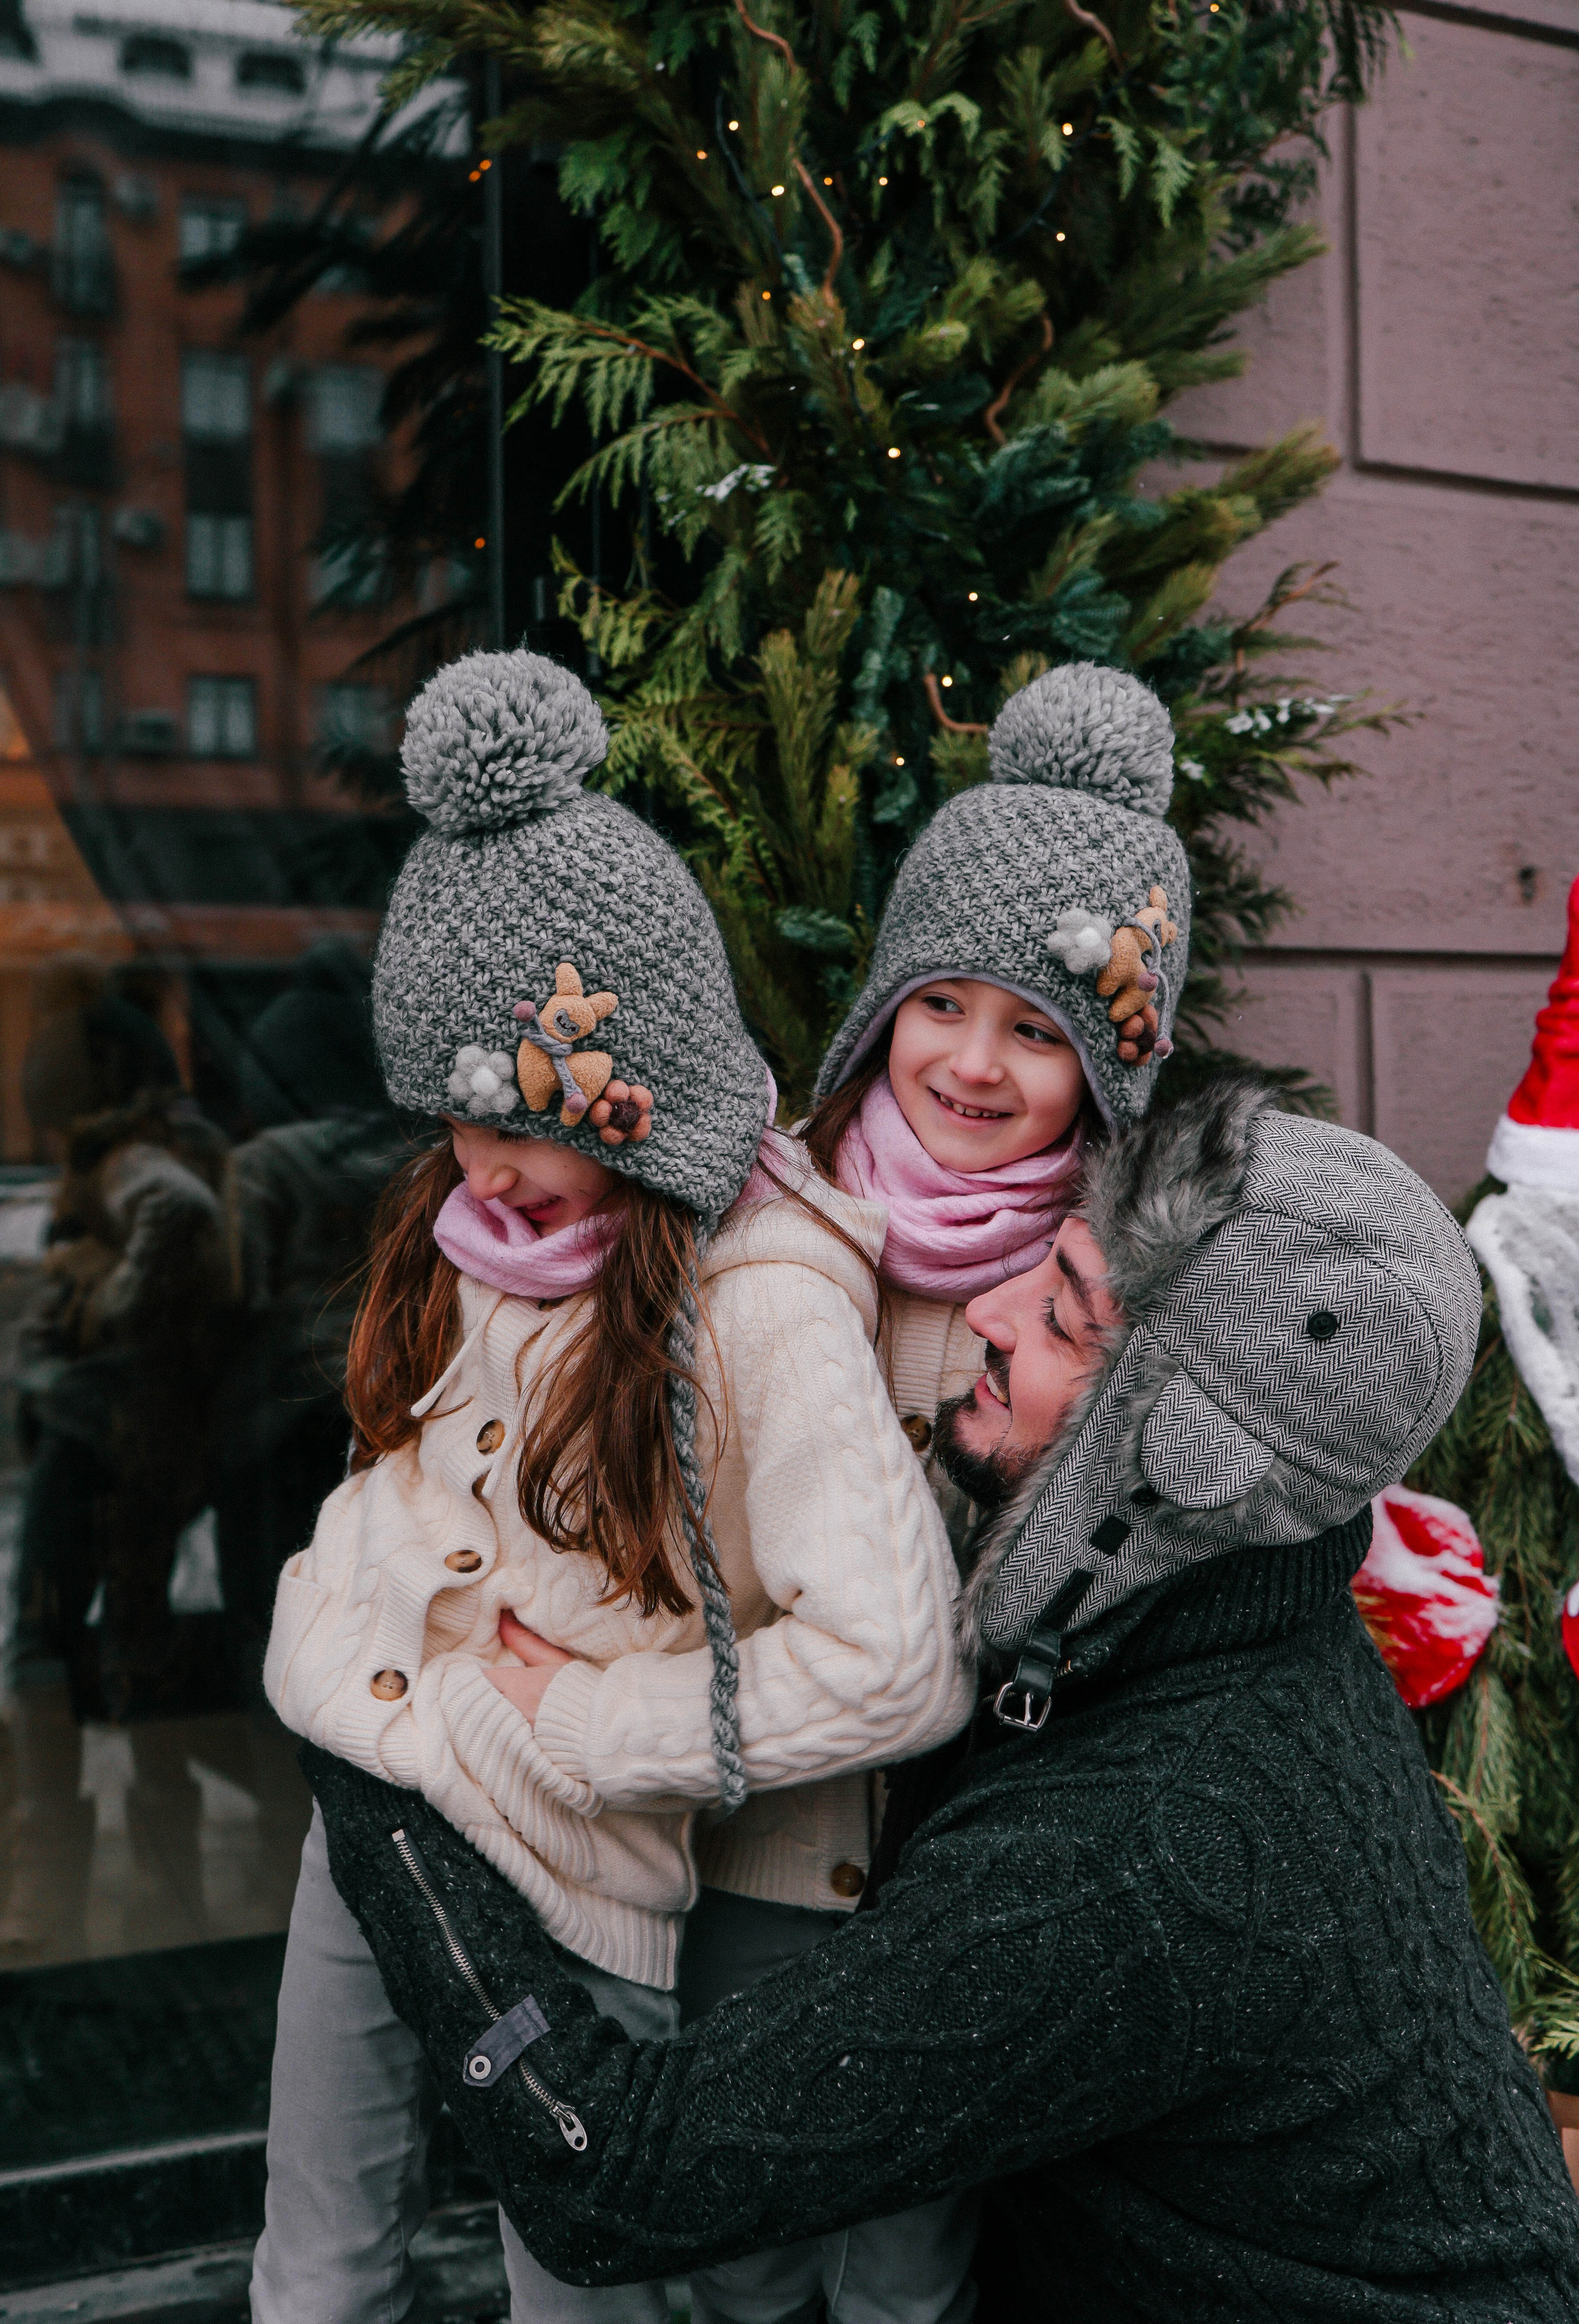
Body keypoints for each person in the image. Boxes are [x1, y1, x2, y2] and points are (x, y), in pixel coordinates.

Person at [307, 1079, 1579, 2320]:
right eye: (1047, 1258)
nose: (987, 1305)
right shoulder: (1217, 1623)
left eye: (1067, 1319)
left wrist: (384, 1772)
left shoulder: (1149, 1843)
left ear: (1186, 1462)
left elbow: (614, 2176)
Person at [252, 652, 971, 2324]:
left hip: (574, 1870)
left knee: (584, 2283)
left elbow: (897, 1660)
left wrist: (597, 1729)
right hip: (370, 1789)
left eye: (511, 1116)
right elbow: (408, 1467)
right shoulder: (485, 1234)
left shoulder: (765, 1303)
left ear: (635, 1079)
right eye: (448, 1113)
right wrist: (332, 1627)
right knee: (319, 2260)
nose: (475, 1163)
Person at [638, 658, 1190, 2318]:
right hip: (762, 1846)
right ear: (885, 1008)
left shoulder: (1106, 1297)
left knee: (910, 2268)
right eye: (944, 1002)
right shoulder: (778, 1233)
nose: (973, 1060)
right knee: (738, 2246)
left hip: (965, 1886)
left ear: (1107, 1069)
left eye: (1039, 1030)